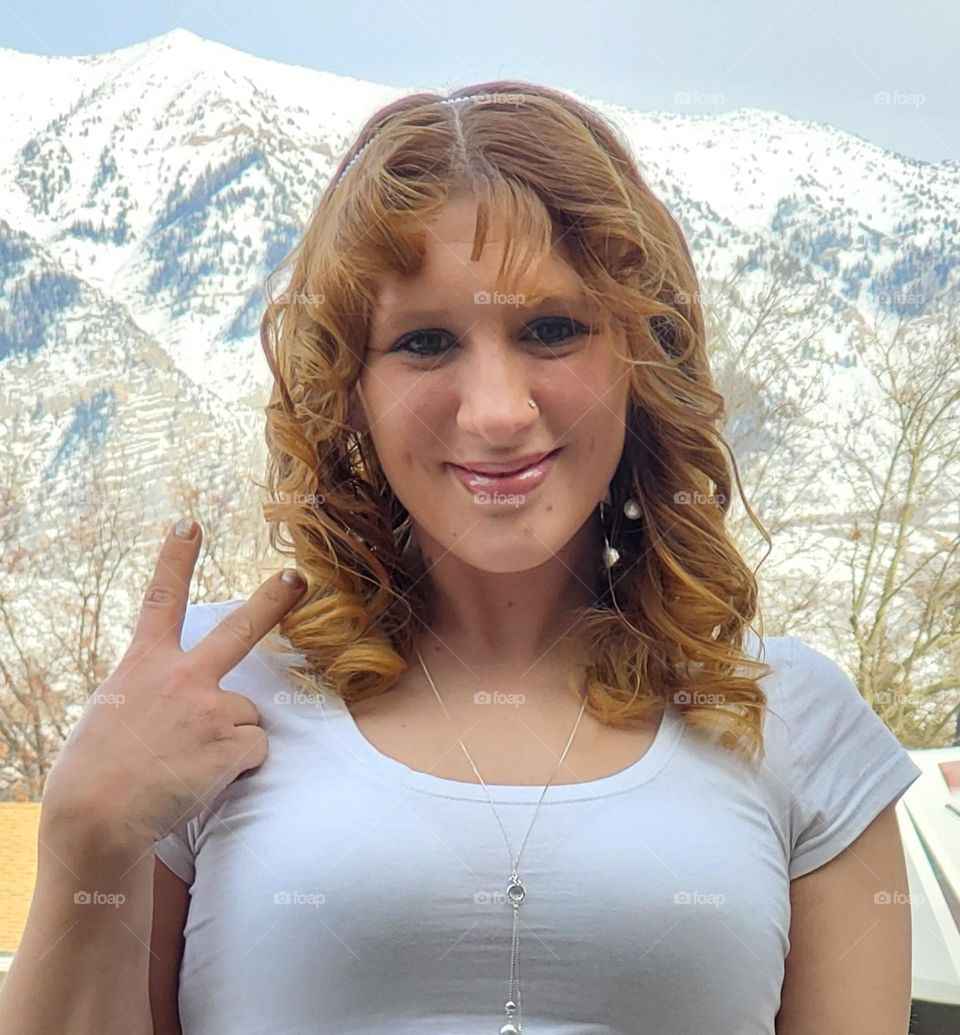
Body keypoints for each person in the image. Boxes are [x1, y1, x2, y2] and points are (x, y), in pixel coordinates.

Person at [0, 81, 922, 1035]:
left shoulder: (797, 723)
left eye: (552, 330)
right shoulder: (207, 698)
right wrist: (86, 836)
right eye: (425, 342)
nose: (496, 412)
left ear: (642, 360)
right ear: (350, 392)